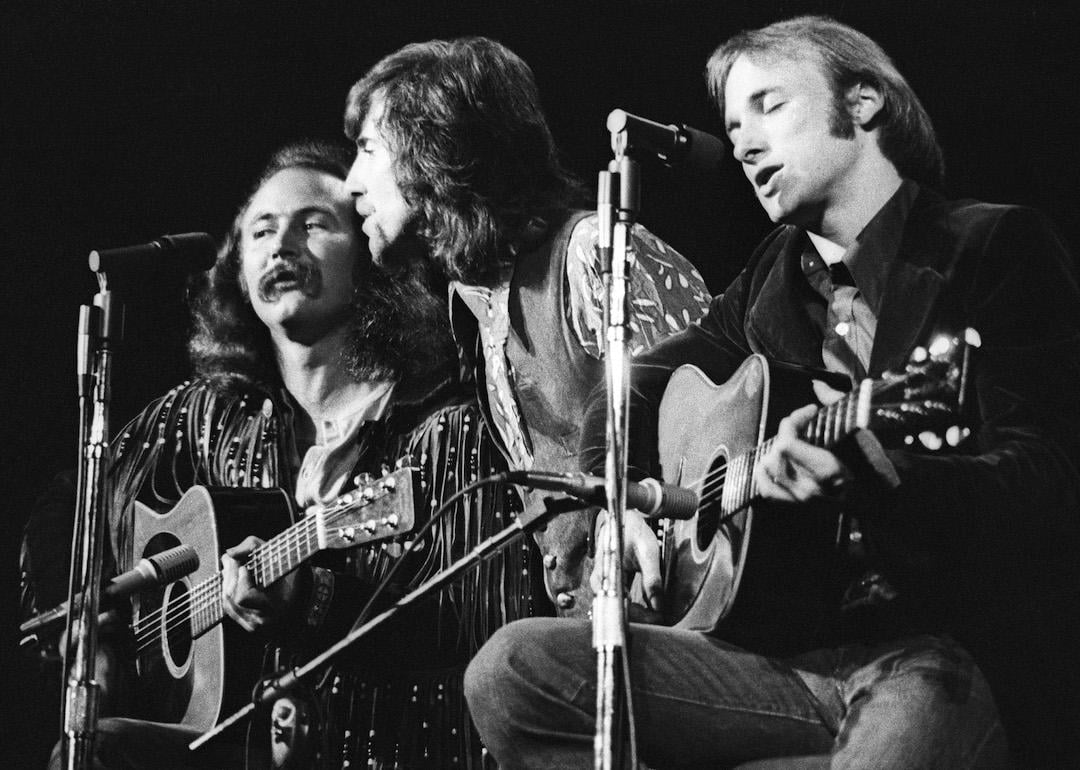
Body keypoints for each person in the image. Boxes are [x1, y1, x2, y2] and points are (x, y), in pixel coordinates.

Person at [465, 15, 1080, 768]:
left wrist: (886, 481)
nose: (745, 143)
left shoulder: (991, 248)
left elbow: (1048, 475)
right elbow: (629, 387)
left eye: (770, 106)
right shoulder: (768, 284)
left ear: (862, 103)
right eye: (732, 123)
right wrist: (615, 504)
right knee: (513, 671)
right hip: (770, 658)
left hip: (929, 649)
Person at [22, 140, 545, 768]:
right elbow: (65, 511)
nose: (282, 245)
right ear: (239, 274)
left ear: (372, 255)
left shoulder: (445, 430)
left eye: (314, 224)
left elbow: (487, 632)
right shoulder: (208, 419)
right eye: (261, 231)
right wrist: (95, 633)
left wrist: (315, 601)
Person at [342, 36, 712, 618]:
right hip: (594, 637)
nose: (350, 184)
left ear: (437, 141)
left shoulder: (590, 250)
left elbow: (721, 419)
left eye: (368, 148)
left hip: (684, 611)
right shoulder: (471, 316)